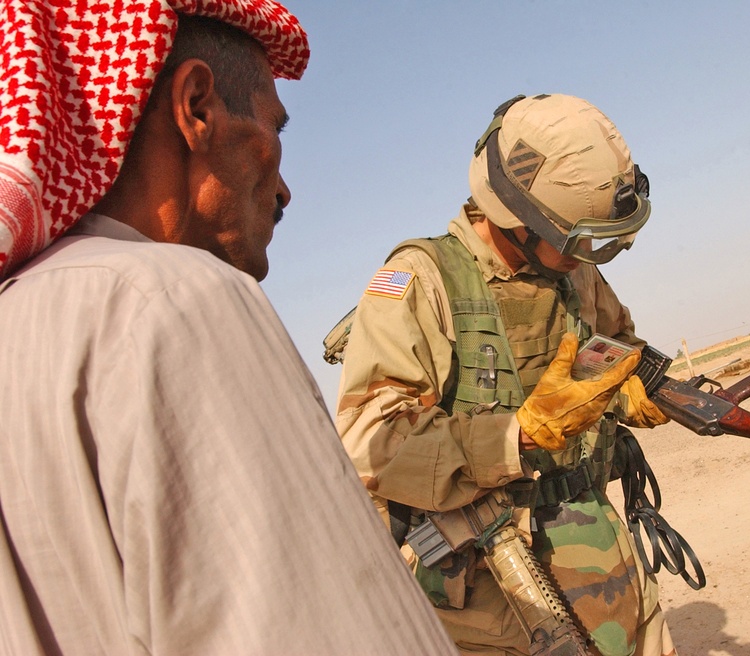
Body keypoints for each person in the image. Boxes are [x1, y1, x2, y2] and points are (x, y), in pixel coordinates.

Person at [0, 3, 456, 654]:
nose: (286, 189)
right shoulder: (173, 302)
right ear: (197, 108)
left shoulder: (20, 322)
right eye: (273, 129)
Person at [329, 93, 677, 656]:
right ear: (517, 217)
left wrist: (633, 388)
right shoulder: (421, 280)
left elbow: (616, 349)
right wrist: (518, 435)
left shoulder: (573, 272)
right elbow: (370, 444)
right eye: (576, 238)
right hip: (497, 592)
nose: (586, 253)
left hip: (603, 553)